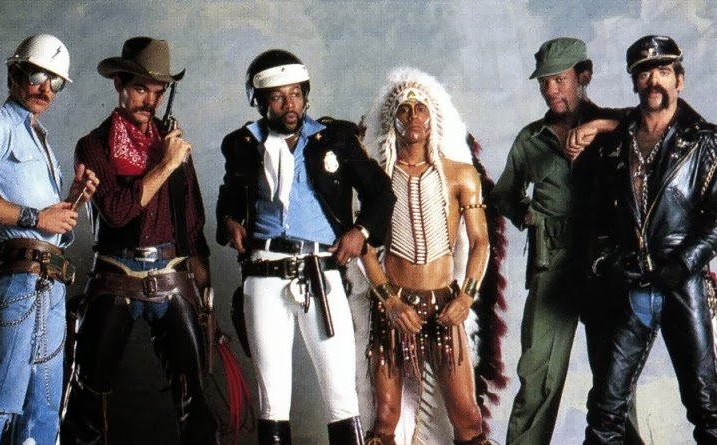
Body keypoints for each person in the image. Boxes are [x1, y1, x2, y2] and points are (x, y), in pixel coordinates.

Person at [216, 49, 395, 445]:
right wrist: (229, 221)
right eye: (278, 97)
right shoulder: (243, 144)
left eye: (296, 94)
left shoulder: (336, 139)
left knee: (340, 392)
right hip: (264, 271)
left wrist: (361, 231)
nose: (290, 105)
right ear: (260, 101)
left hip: (320, 270)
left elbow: (381, 193)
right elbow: (229, 197)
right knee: (272, 396)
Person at [60, 37, 219, 444]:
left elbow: (192, 216)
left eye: (157, 91)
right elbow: (116, 212)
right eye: (140, 89)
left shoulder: (173, 143)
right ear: (119, 83)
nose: (150, 101)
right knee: (87, 395)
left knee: (196, 396)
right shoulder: (94, 145)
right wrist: (166, 164)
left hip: (171, 271)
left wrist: (202, 279)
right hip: (115, 271)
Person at [490, 37, 643, 445]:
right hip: (552, 263)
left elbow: (656, 126)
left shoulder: (617, 127)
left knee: (615, 380)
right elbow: (504, 194)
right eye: (544, 82)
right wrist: (525, 213)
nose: (550, 89)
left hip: (605, 264)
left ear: (584, 75)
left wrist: (599, 126)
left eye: (559, 79)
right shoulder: (531, 139)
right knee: (537, 376)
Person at [583, 35, 717, 445]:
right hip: (631, 286)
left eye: (663, 71)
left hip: (682, 284)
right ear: (635, 82)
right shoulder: (615, 144)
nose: (653, 81)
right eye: (644, 73)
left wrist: (683, 264)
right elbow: (597, 218)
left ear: (680, 79)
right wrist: (607, 261)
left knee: (707, 406)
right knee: (605, 411)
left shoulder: (704, 142)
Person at [358, 67, 500, 445]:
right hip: (393, 305)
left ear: (432, 116)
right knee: (385, 417)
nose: (413, 117)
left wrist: (465, 298)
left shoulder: (461, 175)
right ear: (392, 119)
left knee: (467, 416)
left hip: (444, 303)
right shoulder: (376, 177)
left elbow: (480, 242)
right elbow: (364, 247)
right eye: (404, 110)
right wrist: (390, 301)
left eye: (420, 108)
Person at [0, 34, 98, 445]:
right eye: (37, 76)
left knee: (44, 408)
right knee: (1, 399)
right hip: (18, 278)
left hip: (50, 280)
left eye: (56, 82)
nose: (46, 89)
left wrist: (73, 197)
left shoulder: (39, 137)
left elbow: (48, 221)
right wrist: (36, 217)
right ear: (15, 73)